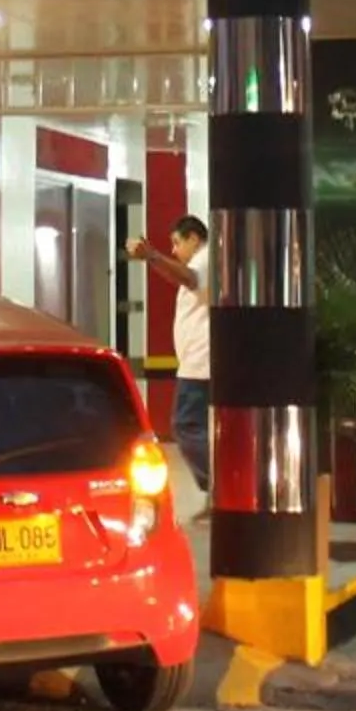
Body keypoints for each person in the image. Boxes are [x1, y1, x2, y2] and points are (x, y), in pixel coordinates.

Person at [125, 216, 211, 515]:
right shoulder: (201, 263)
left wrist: (151, 255)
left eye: (177, 243)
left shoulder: (206, 261)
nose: (174, 250)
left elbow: (189, 278)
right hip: (197, 364)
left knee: (185, 426)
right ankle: (219, 489)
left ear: (194, 239)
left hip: (201, 366)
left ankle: (220, 485)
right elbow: (182, 277)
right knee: (199, 429)